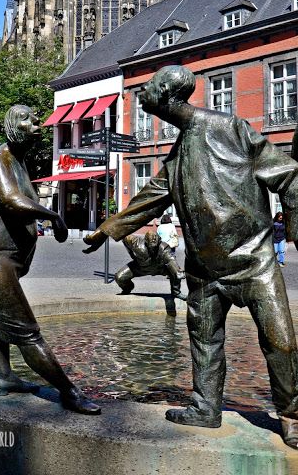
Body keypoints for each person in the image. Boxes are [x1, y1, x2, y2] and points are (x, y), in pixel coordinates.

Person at [83, 65, 298, 448]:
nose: (143, 95)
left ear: (166, 93)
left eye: (148, 89)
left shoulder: (229, 128)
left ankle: (292, 414)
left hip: (255, 262)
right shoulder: (177, 153)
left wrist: (296, 233)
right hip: (203, 269)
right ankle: (205, 407)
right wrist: (108, 228)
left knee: (280, 342)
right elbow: (150, 199)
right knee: (204, 339)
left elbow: (289, 175)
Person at [0, 104, 100, 415]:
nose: (36, 126)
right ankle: (70, 392)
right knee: (26, 330)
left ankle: (5, 377)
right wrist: (53, 216)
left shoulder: (18, 162)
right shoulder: (0, 159)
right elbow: (11, 200)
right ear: (11, 125)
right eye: (27, 121)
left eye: (37, 122)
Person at [114, 231, 186, 300]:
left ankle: (176, 292)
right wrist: (131, 254)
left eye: (155, 247)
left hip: (160, 268)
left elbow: (171, 260)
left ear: (159, 241)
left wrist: (177, 272)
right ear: (146, 242)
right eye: (151, 247)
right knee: (119, 277)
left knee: (174, 271)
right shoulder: (136, 243)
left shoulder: (164, 247)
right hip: (140, 267)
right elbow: (124, 239)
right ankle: (128, 288)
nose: (153, 249)